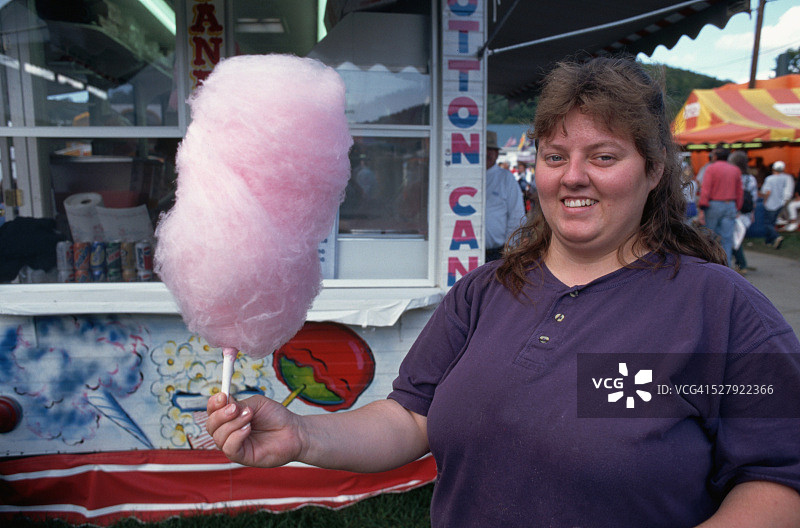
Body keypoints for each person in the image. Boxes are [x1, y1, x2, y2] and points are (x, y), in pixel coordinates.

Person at [206, 57, 800, 527]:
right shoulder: (485, 292)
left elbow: (780, 481)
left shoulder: (718, 309)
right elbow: (411, 418)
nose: (573, 176)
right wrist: (303, 434)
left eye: (604, 156)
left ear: (653, 171)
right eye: (555, 155)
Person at [697, 147, 743, 267]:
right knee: (727, 238)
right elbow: (739, 191)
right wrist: (738, 207)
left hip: (714, 205)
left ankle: (710, 265)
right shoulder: (735, 169)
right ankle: (726, 266)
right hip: (730, 204)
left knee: (710, 237)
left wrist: (702, 207)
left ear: (715, 156)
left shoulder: (711, 168)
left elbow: (705, 189)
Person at [483, 130, 525, 261]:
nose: (488, 153)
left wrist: (509, 249)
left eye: (491, 149)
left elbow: (517, 215)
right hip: (466, 252)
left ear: (496, 154)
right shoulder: (468, 176)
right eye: (484, 148)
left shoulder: (506, 178)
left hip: (496, 253)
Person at [728, 150, 757, 274]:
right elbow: (754, 197)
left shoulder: (732, 175)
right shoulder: (751, 178)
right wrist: (752, 213)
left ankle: (741, 264)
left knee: (734, 238)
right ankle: (741, 264)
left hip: (736, 210)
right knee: (737, 238)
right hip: (746, 212)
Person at [760, 160, 794, 249]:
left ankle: (776, 237)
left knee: (768, 223)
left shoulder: (770, 179)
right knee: (772, 222)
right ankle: (769, 241)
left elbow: (767, 191)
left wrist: (765, 200)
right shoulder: (786, 178)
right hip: (780, 203)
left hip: (770, 203)